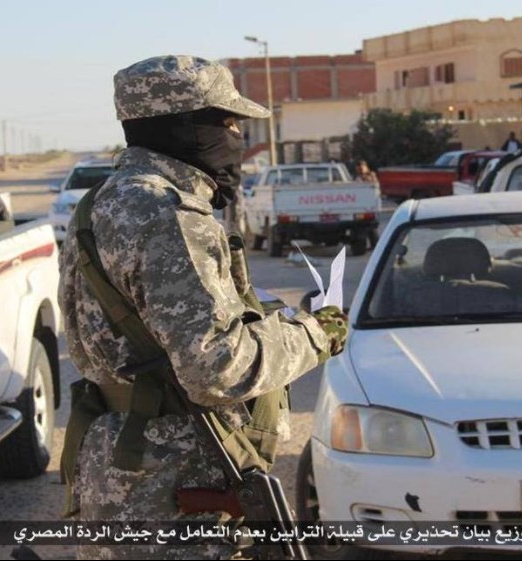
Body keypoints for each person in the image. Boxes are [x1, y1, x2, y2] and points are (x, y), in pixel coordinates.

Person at [58, 55, 348, 559]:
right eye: (229, 122)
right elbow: (217, 367)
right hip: (175, 482)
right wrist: (315, 334)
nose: (238, 137)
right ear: (188, 127)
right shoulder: (169, 216)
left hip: (122, 469)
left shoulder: (102, 202)